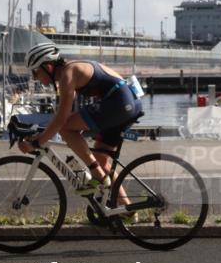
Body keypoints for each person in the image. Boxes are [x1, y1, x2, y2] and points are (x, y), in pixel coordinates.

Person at [16, 42, 142, 194]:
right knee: (101, 160)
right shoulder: (70, 71)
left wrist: (37, 142)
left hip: (119, 104)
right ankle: (127, 211)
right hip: (126, 103)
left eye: (35, 72)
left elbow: (62, 120)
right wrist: (58, 137)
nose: (34, 77)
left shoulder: (68, 74)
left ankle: (97, 175)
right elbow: (66, 114)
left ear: (48, 67)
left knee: (65, 128)